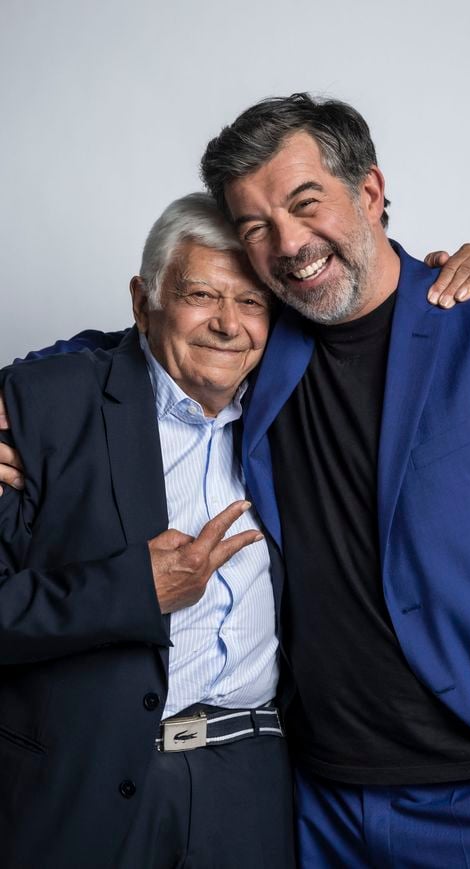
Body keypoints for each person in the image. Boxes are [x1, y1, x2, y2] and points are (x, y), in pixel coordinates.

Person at [202, 93, 470, 867]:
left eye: (307, 205)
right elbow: (146, 334)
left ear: (369, 193)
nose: (290, 244)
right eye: (256, 228)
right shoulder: (258, 345)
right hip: (314, 802)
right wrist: (20, 405)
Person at [0, 193, 295, 869]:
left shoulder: (293, 409)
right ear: (144, 300)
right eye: (200, 294)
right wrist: (134, 588)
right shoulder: (44, 405)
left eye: (251, 302)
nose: (228, 324)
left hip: (250, 785)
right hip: (86, 787)